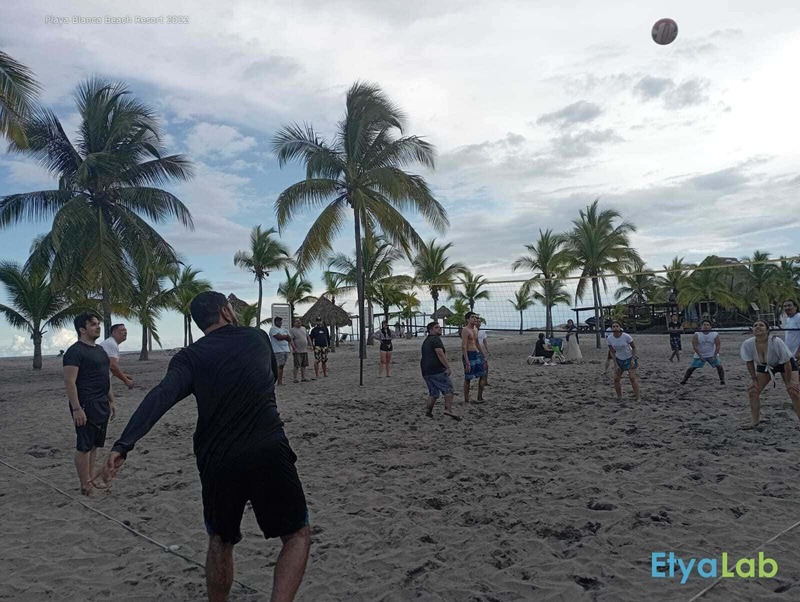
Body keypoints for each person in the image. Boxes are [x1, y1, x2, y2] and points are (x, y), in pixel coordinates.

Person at [97, 292, 310, 601]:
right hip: (268, 448)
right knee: (296, 535)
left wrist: (123, 445)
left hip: (217, 459)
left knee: (221, 540)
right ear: (226, 312)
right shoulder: (256, 338)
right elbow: (267, 376)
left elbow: (162, 395)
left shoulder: (190, 357)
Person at [63, 311, 116, 497]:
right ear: (82, 329)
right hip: (85, 404)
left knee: (94, 445)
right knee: (84, 446)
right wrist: (77, 408)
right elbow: (70, 382)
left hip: (101, 402)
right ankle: (85, 485)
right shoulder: (74, 352)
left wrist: (111, 400)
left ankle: (91, 479)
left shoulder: (100, 350)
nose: (98, 327)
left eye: (98, 324)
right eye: (93, 324)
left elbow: (105, 377)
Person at [740, 319, 800, 429]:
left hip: (785, 364)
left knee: (793, 391)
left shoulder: (775, 341)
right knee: (753, 390)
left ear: (767, 330)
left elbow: (786, 363)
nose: (758, 327)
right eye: (755, 325)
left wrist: (788, 382)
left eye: (761, 325)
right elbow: (749, 362)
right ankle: (754, 421)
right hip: (765, 365)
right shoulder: (748, 343)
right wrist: (754, 380)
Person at [421, 321, 459, 420]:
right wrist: (447, 367)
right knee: (449, 389)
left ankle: (428, 412)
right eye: (436, 327)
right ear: (430, 330)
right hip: (436, 370)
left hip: (426, 371)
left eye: (439, 327)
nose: (439, 329)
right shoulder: (435, 339)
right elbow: (440, 353)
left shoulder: (427, 340)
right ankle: (448, 409)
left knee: (433, 392)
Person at [681, 320, 725, 385]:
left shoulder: (715, 334)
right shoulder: (696, 334)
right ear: (701, 326)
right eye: (704, 325)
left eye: (707, 325)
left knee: (719, 366)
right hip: (700, 354)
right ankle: (684, 381)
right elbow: (695, 346)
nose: (706, 326)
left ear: (710, 327)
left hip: (711, 354)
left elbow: (718, 345)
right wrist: (701, 356)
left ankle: (722, 381)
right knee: (691, 368)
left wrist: (715, 355)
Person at [607, 320, 641, 402]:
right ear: (611, 328)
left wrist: (633, 359)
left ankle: (638, 397)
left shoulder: (626, 336)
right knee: (616, 379)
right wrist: (615, 364)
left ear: (620, 327)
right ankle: (619, 397)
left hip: (629, 358)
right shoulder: (610, 338)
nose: (615, 328)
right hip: (619, 359)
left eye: (617, 326)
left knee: (632, 378)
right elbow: (612, 351)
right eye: (613, 327)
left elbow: (634, 347)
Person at [99, 323, 134, 389]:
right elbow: (113, 366)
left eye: (125, 330)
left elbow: (108, 367)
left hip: (103, 379)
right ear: (114, 333)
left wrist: (123, 375)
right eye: (122, 330)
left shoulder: (111, 343)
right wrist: (126, 381)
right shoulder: (111, 343)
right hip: (99, 380)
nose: (125, 332)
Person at [461, 312, 486, 403]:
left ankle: (480, 397)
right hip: (469, 354)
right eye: (472, 317)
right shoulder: (465, 330)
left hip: (476, 353)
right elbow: (463, 346)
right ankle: (466, 399)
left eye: (475, 317)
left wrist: (483, 354)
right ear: (468, 319)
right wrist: (467, 361)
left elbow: (477, 343)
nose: (475, 319)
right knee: (468, 377)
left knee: (483, 374)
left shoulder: (475, 329)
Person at [269, 317, 292, 385]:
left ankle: (280, 381)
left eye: (280, 321)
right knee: (279, 366)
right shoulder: (273, 329)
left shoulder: (284, 329)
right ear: (275, 322)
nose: (279, 322)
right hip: (277, 350)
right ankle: (277, 381)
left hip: (285, 350)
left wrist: (284, 336)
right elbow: (279, 337)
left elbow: (290, 339)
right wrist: (286, 336)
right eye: (278, 321)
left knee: (282, 366)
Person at [290, 318, 312, 383]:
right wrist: (294, 348)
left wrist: (311, 345)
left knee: (304, 365)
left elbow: (308, 337)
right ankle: (295, 378)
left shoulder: (304, 328)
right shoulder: (292, 330)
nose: (298, 322)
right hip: (297, 351)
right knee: (296, 365)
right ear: (294, 323)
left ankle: (303, 378)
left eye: (299, 321)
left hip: (304, 350)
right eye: (297, 321)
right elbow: (291, 340)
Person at [476, 322, 490, 389]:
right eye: (477, 322)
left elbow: (484, 341)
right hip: (475, 351)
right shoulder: (472, 331)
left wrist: (487, 349)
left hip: (481, 351)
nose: (479, 323)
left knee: (486, 366)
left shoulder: (482, 331)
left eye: (479, 322)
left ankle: (485, 381)